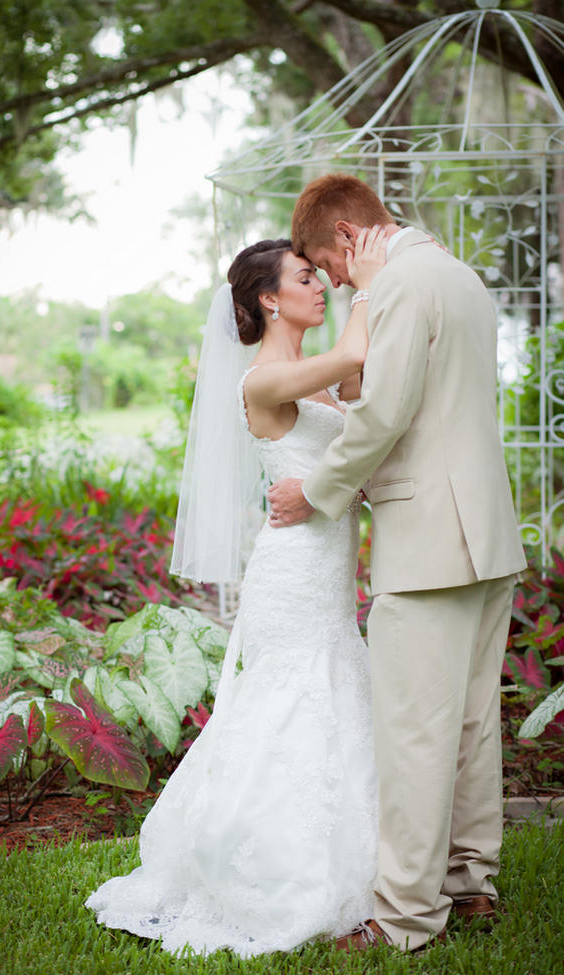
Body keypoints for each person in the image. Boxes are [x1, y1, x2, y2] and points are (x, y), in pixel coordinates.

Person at [85, 230, 387, 956]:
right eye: (306, 278)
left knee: (334, 692)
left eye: (324, 277)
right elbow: (355, 354)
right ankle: (264, 863)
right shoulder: (261, 379)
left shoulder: (308, 375)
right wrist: (372, 281)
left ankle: (366, 851)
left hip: (325, 566)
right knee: (289, 703)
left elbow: (353, 407)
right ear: (267, 298)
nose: (322, 286)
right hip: (292, 573)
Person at [268, 173, 527, 953]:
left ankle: (405, 918)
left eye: (329, 264)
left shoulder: (404, 284)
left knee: (415, 732)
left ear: (346, 236)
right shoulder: (459, 274)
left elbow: (383, 412)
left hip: (428, 541)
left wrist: (317, 491)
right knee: (474, 725)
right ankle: (469, 883)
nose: (335, 280)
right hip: (487, 534)